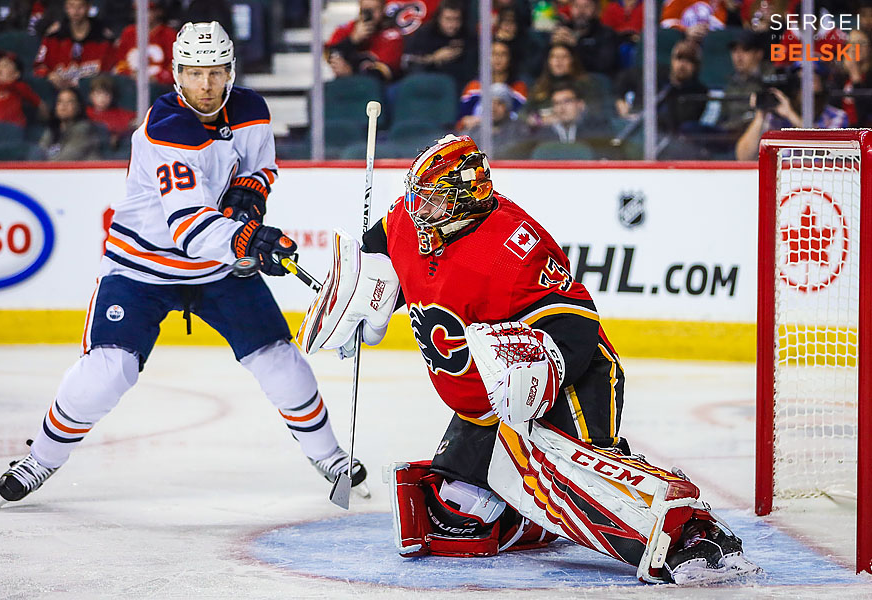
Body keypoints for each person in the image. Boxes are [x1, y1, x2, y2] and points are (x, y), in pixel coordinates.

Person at [299, 133, 762, 585]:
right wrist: (367, 294)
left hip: (570, 381)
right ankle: (535, 515)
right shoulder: (410, 220)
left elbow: (576, 325)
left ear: (464, 198)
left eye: (433, 202)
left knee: (574, 477)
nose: (419, 213)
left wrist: (527, 382)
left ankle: (691, 531)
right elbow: (384, 247)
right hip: (486, 401)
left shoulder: (509, 249)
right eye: (416, 200)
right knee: (454, 516)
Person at [0, 21, 368, 506]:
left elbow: (260, 170)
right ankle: (40, 459)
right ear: (177, 74)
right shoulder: (167, 128)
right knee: (109, 371)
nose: (206, 85)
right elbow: (189, 229)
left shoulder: (251, 109)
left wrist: (247, 201)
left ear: (230, 71)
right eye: (195, 73)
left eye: (216, 73)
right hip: (141, 269)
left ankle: (328, 455)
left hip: (217, 271)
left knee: (279, 357)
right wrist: (252, 239)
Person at [735, 64, 849, 161]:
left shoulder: (836, 116)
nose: (803, 87)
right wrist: (760, 115)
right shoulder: (775, 117)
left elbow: (827, 151)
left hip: (822, 179)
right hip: (783, 179)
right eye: (799, 81)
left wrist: (790, 114)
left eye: (810, 79)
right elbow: (744, 157)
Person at [33, 0, 114, 89]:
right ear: (66, 7)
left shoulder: (104, 39)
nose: (75, 11)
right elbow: (38, 68)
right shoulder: (53, 38)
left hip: (93, 95)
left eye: (80, 7)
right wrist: (49, 75)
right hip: (60, 94)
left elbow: (112, 72)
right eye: (71, 6)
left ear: (88, 7)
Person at [325, 0, 404, 82]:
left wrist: (351, 73)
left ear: (383, 10)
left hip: (378, 88)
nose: (370, 14)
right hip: (346, 84)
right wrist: (353, 39)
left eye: (374, 9)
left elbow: (386, 72)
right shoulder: (347, 29)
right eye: (366, 9)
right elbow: (330, 53)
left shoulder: (392, 34)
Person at [401, 0, 473, 88]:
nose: (453, 25)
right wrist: (434, 58)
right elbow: (409, 62)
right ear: (439, 18)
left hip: (458, 84)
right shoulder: (425, 33)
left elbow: (472, 68)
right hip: (426, 83)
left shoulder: (468, 36)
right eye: (448, 19)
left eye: (457, 19)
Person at [0, 52, 48, 127]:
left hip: (13, 129)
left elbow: (40, 104)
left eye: (5, 65)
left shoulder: (20, 87)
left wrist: (42, 120)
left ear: (16, 74)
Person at [113, 0, 176, 86]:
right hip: (131, 85)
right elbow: (120, 64)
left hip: (160, 87)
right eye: (137, 11)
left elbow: (174, 68)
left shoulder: (169, 34)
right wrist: (130, 75)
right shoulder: (128, 33)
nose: (141, 14)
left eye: (147, 11)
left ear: (158, 12)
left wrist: (157, 78)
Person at [39, 87, 102, 160]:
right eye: (60, 102)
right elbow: (40, 152)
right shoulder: (52, 129)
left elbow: (67, 157)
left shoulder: (84, 129)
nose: (63, 106)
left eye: (69, 102)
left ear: (78, 107)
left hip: (86, 170)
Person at [85, 73, 136, 148]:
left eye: (106, 94)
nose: (102, 98)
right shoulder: (85, 112)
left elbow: (134, 120)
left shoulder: (119, 113)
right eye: (98, 93)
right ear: (91, 96)